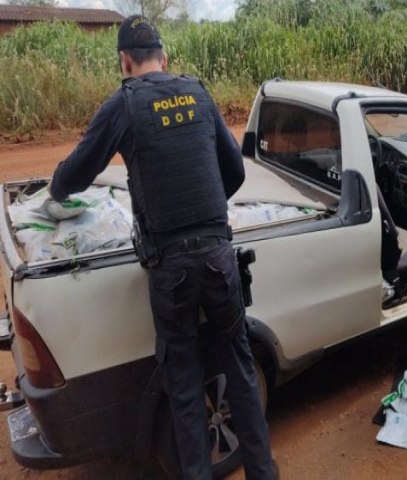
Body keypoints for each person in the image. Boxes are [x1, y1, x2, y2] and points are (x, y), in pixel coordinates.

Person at [48, 15, 277, 479]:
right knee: (240, 369)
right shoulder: (197, 91)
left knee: (185, 387)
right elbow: (233, 172)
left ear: (124, 61)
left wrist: (55, 192)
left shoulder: (124, 104)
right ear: (165, 57)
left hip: (170, 269)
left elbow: (72, 175)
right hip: (218, 256)